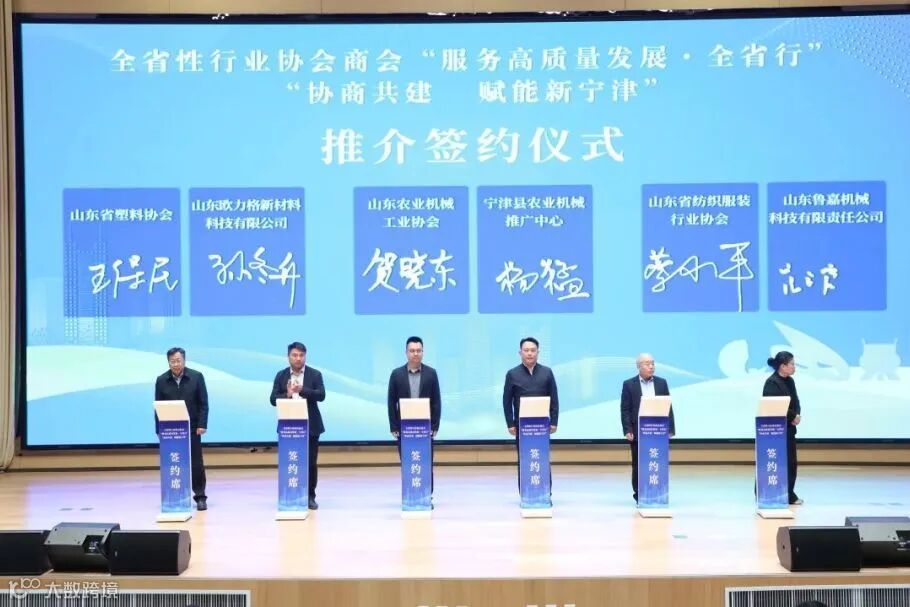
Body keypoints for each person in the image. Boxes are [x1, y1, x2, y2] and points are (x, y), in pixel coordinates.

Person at [269, 342, 326, 510]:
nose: (298, 358)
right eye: (294, 355)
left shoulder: (315, 374)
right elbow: (273, 399)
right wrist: (287, 394)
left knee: (310, 463)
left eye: (301, 355)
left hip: (310, 426)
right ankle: (290, 495)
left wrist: (302, 390)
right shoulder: (281, 375)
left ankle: (310, 496)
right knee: (290, 462)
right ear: (288, 357)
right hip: (288, 427)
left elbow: (321, 395)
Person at [155, 347, 209, 510]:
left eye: (178, 361)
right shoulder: (161, 380)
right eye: (172, 361)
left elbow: (203, 403)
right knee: (173, 462)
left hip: (192, 428)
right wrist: (159, 429)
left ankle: (200, 497)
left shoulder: (196, 377)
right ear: (168, 362)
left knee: (196, 464)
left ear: (184, 360)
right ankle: (174, 497)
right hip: (170, 430)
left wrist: (202, 424)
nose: (176, 364)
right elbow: (158, 406)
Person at [387, 336, 442, 495]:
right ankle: (409, 494)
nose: (415, 354)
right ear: (406, 353)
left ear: (423, 352)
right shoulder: (396, 374)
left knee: (425, 462)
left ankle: (427, 495)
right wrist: (394, 426)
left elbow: (436, 401)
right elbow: (391, 402)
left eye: (418, 350)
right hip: (404, 428)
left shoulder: (431, 373)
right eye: (412, 351)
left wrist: (435, 426)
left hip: (425, 428)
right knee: (407, 461)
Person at [503, 337, 559, 491]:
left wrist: (554, 421)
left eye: (533, 350)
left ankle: (545, 492)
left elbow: (554, 398)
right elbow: (507, 401)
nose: (529, 353)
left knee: (542, 457)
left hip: (542, 426)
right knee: (524, 458)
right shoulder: (512, 374)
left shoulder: (547, 372)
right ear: (520, 353)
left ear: (538, 352)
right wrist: (510, 423)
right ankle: (526, 492)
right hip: (522, 427)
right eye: (526, 350)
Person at [620, 353, 675, 503]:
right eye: (647, 364)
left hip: (658, 431)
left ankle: (658, 494)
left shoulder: (661, 383)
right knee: (639, 465)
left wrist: (670, 429)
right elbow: (625, 409)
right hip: (638, 432)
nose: (651, 366)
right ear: (638, 366)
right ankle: (639, 495)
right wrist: (627, 430)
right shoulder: (629, 384)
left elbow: (668, 406)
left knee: (658, 463)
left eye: (653, 363)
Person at [763, 351, 802, 505]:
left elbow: (795, 401)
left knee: (791, 463)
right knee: (776, 463)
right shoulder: (772, 383)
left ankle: (789, 493)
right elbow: (775, 405)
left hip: (789, 429)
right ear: (782, 366)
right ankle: (768, 493)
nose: (794, 367)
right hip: (776, 430)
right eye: (791, 364)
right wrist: (792, 416)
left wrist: (797, 415)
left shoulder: (790, 381)